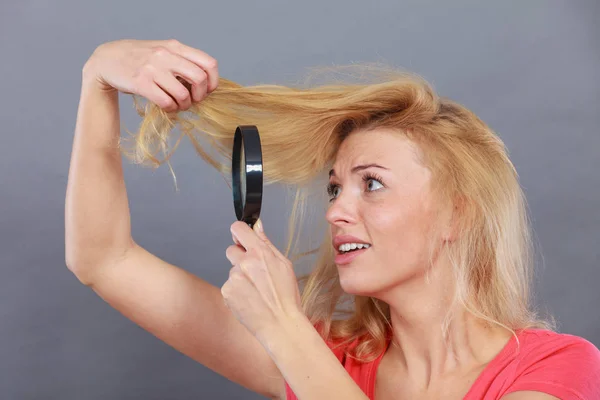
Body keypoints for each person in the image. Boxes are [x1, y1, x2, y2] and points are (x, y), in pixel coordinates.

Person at [65, 39, 600, 400]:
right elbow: (103, 259)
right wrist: (99, 77)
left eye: (372, 184)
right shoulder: (328, 357)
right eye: (334, 187)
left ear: (458, 213)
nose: (337, 210)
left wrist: (281, 326)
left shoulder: (558, 370)